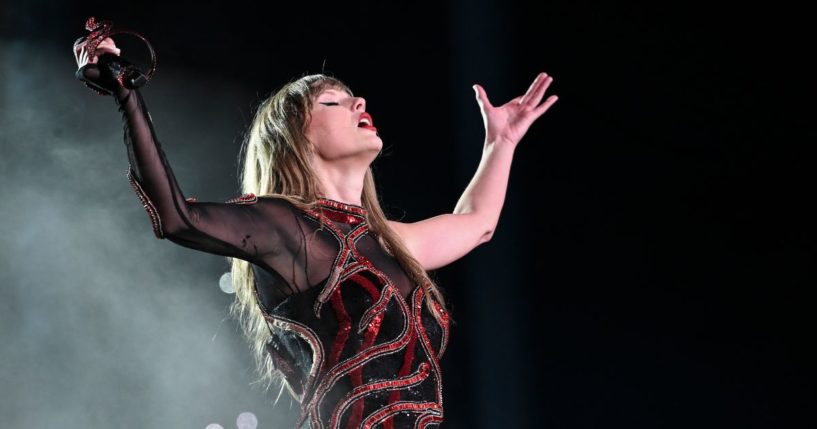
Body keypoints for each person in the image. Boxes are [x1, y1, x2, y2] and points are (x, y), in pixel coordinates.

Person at [74, 37, 558, 429]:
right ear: (296, 137)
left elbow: (478, 224)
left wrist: (502, 142)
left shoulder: (392, 244)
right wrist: (127, 96)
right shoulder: (286, 228)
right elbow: (176, 217)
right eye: (334, 100)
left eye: (355, 97)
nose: (360, 102)